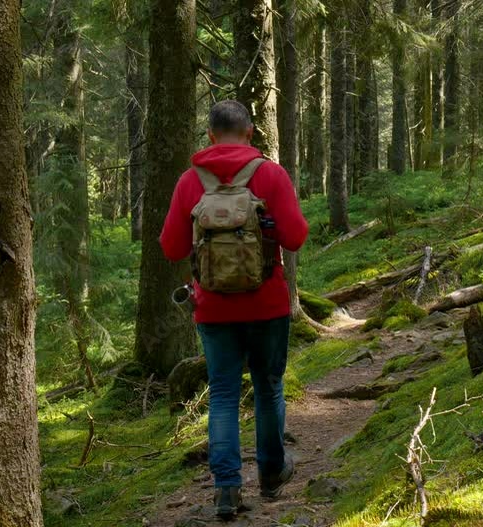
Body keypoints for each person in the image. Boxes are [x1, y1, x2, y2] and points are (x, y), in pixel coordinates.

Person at [159, 100, 309, 518]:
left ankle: (226, 489)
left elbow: (171, 247)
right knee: (268, 387)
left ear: (209, 135)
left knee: (223, 394)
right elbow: (296, 238)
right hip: (267, 304)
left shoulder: (191, 180)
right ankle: (272, 473)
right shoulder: (270, 174)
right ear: (251, 132)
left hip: (213, 308)